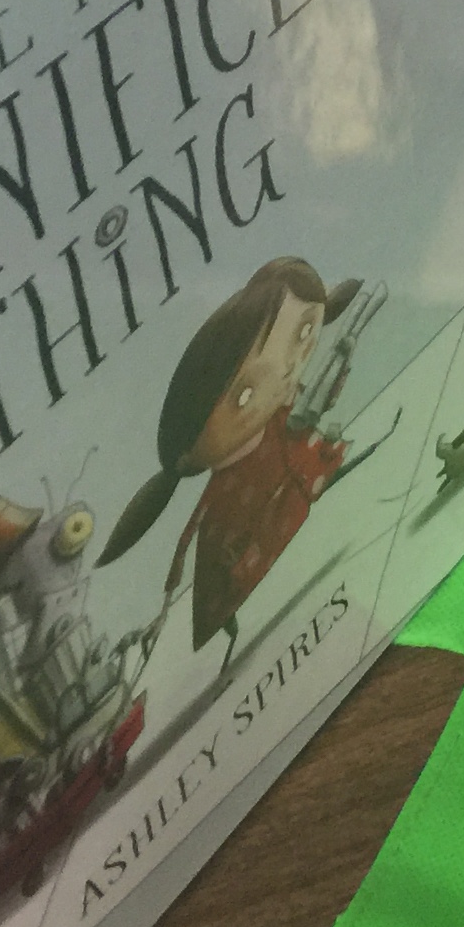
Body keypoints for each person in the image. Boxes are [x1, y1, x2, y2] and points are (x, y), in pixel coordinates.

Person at [100, 257, 364, 669]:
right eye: (244, 395)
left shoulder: (283, 423)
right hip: (240, 563)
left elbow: (319, 405)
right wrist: (164, 610)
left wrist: (342, 362)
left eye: (305, 333)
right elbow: (187, 538)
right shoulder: (225, 490)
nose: (288, 371)